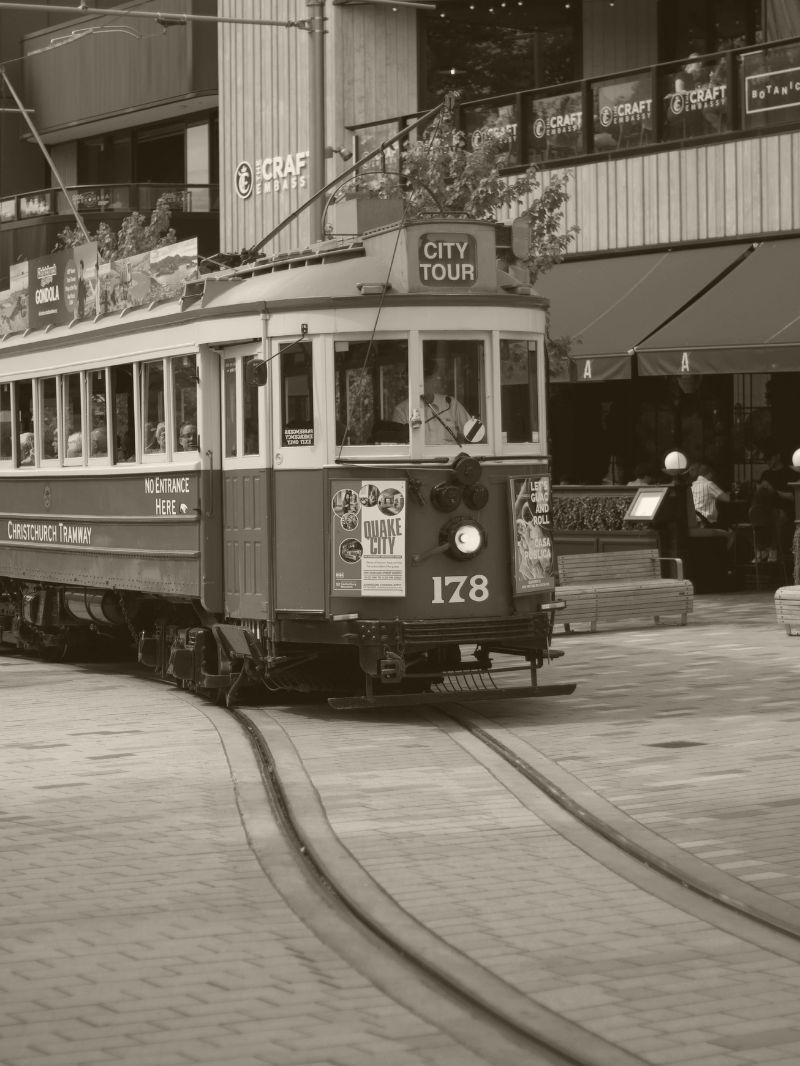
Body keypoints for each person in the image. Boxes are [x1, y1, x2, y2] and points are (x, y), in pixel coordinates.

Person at [392, 357, 473, 445]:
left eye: (429, 378)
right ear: (411, 380)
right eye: (422, 378)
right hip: (419, 459)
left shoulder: (450, 404)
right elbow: (400, 447)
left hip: (451, 458)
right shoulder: (402, 410)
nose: (424, 383)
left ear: (435, 378)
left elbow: (473, 434)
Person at [690, 463, 729, 527]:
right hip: (706, 522)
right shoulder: (709, 484)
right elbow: (727, 499)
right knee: (730, 530)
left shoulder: (692, 485)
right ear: (710, 474)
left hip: (694, 521)